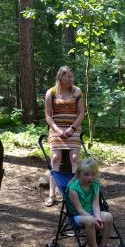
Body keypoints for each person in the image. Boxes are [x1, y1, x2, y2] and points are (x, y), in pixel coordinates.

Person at [45, 65, 85, 207]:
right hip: (56, 129)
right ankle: (52, 194)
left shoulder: (77, 91)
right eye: (68, 76)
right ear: (60, 77)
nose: (70, 79)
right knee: (55, 158)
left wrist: (72, 128)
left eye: (71, 76)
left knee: (74, 158)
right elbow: (48, 116)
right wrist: (57, 130)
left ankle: (74, 192)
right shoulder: (51, 92)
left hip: (73, 128)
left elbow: (81, 113)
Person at [66, 158, 115, 247]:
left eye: (93, 174)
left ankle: (103, 245)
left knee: (108, 216)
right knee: (90, 220)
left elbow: (95, 204)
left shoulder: (95, 185)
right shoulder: (73, 188)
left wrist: (98, 217)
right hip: (78, 216)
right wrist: (94, 219)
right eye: (86, 174)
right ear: (79, 174)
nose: (90, 177)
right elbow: (79, 209)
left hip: (92, 213)